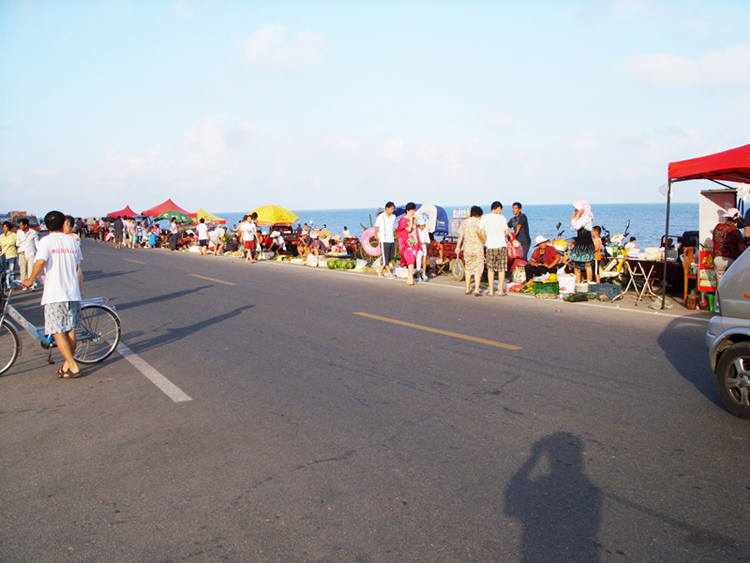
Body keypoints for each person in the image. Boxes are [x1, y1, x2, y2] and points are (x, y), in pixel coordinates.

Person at [21, 211, 83, 378]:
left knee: (56, 330)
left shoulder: (46, 241)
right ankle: (66, 366)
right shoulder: (72, 241)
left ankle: (73, 365)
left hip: (55, 292)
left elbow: (40, 261)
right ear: (64, 224)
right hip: (72, 291)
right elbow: (77, 268)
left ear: (46, 225)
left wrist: (30, 279)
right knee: (70, 330)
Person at [478, 201, 509, 296]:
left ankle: (491, 291)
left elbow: (479, 231)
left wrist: (483, 240)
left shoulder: (485, 217)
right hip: (501, 245)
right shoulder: (502, 218)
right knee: (501, 269)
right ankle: (501, 291)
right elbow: (507, 232)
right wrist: (501, 236)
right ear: (498, 208)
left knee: (491, 269)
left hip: (490, 245)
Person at [456, 206, 485, 296]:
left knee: (468, 268)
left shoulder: (465, 222)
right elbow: (482, 233)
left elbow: (461, 236)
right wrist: (484, 240)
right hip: (478, 248)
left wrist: (457, 246)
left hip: (467, 248)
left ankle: (467, 289)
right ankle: (476, 289)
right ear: (478, 215)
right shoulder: (480, 222)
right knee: (478, 269)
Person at [713, 208, 746, 282]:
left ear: (726, 218)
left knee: (720, 283)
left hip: (718, 259)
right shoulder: (735, 231)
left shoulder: (718, 227)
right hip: (731, 259)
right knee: (731, 282)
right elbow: (741, 248)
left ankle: (720, 293)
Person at [567, 201, 595, 284]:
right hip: (580, 243)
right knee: (577, 266)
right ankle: (578, 283)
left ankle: (589, 283)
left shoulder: (587, 218)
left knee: (587, 265)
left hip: (586, 243)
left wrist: (578, 215)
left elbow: (578, 226)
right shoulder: (580, 218)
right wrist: (574, 214)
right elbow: (573, 225)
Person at [395, 202, 421, 286]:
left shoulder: (415, 220)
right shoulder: (403, 220)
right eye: (412, 210)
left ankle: (410, 277)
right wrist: (410, 219)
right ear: (408, 211)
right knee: (410, 260)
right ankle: (410, 278)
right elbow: (409, 229)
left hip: (414, 243)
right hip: (406, 244)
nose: (413, 212)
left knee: (412, 260)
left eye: (414, 210)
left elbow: (415, 231)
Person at [16, 218, 39, 291]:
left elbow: (37, 243)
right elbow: (17, 242)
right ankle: (24, 285)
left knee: (31, 270)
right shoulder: (19, 232)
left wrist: (39, 252)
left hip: (31, 253)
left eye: (21, 225)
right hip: (21, 254)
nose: (20, 227)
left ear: (26, 225)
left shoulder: (33, 233)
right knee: (23, 270)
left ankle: (32, 284)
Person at [374, 202, 397, 278]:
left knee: (390, 256)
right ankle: (389, 273)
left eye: (393, 209)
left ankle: (380, 269)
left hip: (391, 239)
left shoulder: (393, 217)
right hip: (384, 239)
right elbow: (376, 226)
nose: (392, 210)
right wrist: (375, 235)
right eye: (391, 209)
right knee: (385, 257)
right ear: (387, 208)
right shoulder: (381, 217)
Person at [415, 217, 431, 282]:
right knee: (418, 261)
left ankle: (424, 274)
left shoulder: (425, 231)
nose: (423, 227)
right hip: (418, 247)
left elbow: (428, 240)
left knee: (424, 261)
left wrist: (423, 242)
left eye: (424, 225)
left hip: (423, 246)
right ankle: (419, 275)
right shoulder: (416, 231)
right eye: (422, 225)